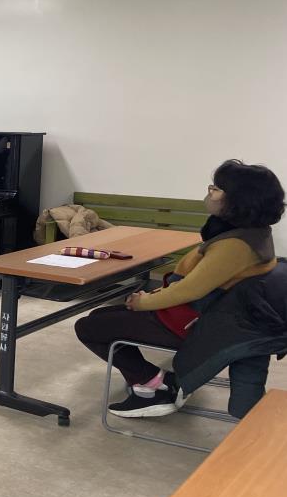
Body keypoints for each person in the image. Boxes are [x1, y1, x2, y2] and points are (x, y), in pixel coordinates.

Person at [74, 160, 284, 418]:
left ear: (239, 200)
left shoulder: (235, 246)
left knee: (89, 327)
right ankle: (157, 380)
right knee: (100, 317)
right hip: (213, 316)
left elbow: (189, 290)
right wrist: (150, 297)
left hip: (196, 323)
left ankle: (155, 388)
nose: (210, 192)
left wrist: (143, 301)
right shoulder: (253, 233)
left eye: (217, 188)